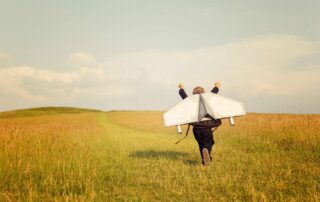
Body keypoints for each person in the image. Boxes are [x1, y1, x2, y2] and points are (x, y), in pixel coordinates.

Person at [178, 82, 222, 165]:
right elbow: (213, 93)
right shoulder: (207, 101)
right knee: (209, 143)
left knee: (201, 144)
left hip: (196, 129)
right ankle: (207, 152)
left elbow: (184, 96)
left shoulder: (190, 102)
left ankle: (204, 160)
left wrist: (181, 88)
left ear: (193, 94)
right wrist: (217, 86)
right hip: (206, 127)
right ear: (204, 93)